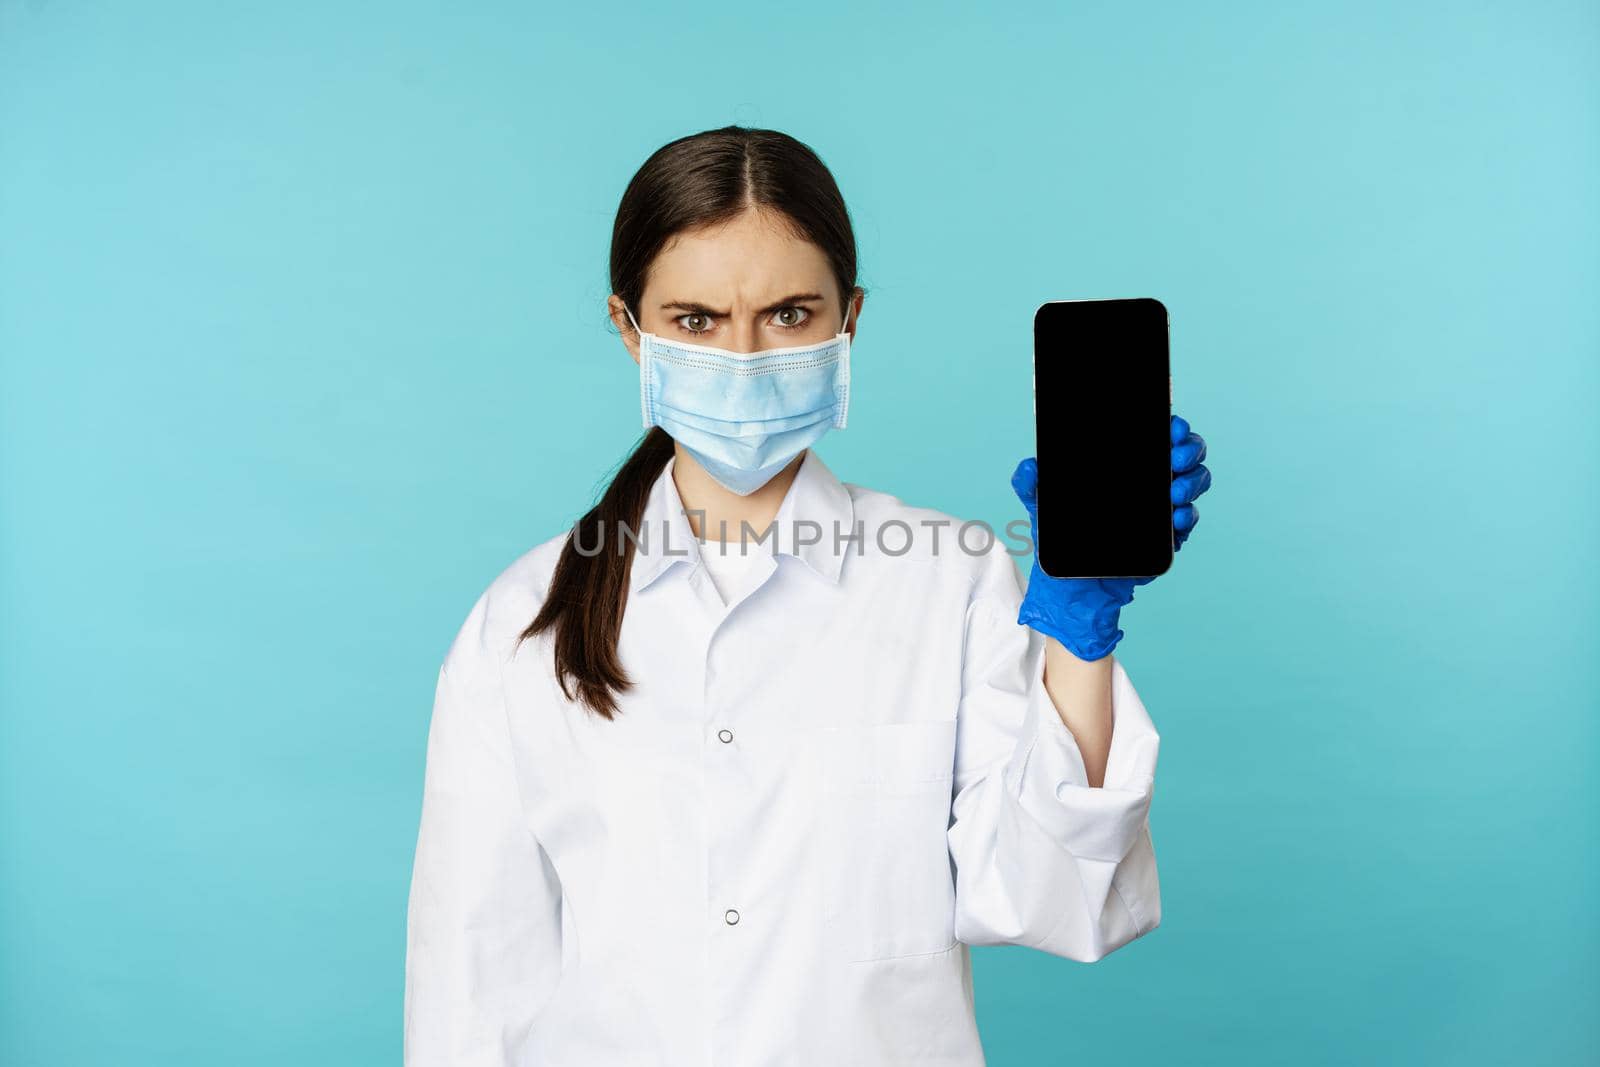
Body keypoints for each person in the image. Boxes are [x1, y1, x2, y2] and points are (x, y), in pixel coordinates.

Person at [403, 125, 1212, 1067]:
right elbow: (472, 982)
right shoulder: (523, 619)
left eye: (789, 314)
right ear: (630, 330)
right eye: (696, 320)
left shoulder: (949, 581)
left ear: (848, 319)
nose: (743, 357)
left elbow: (1049, 897)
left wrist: (1080, 628)